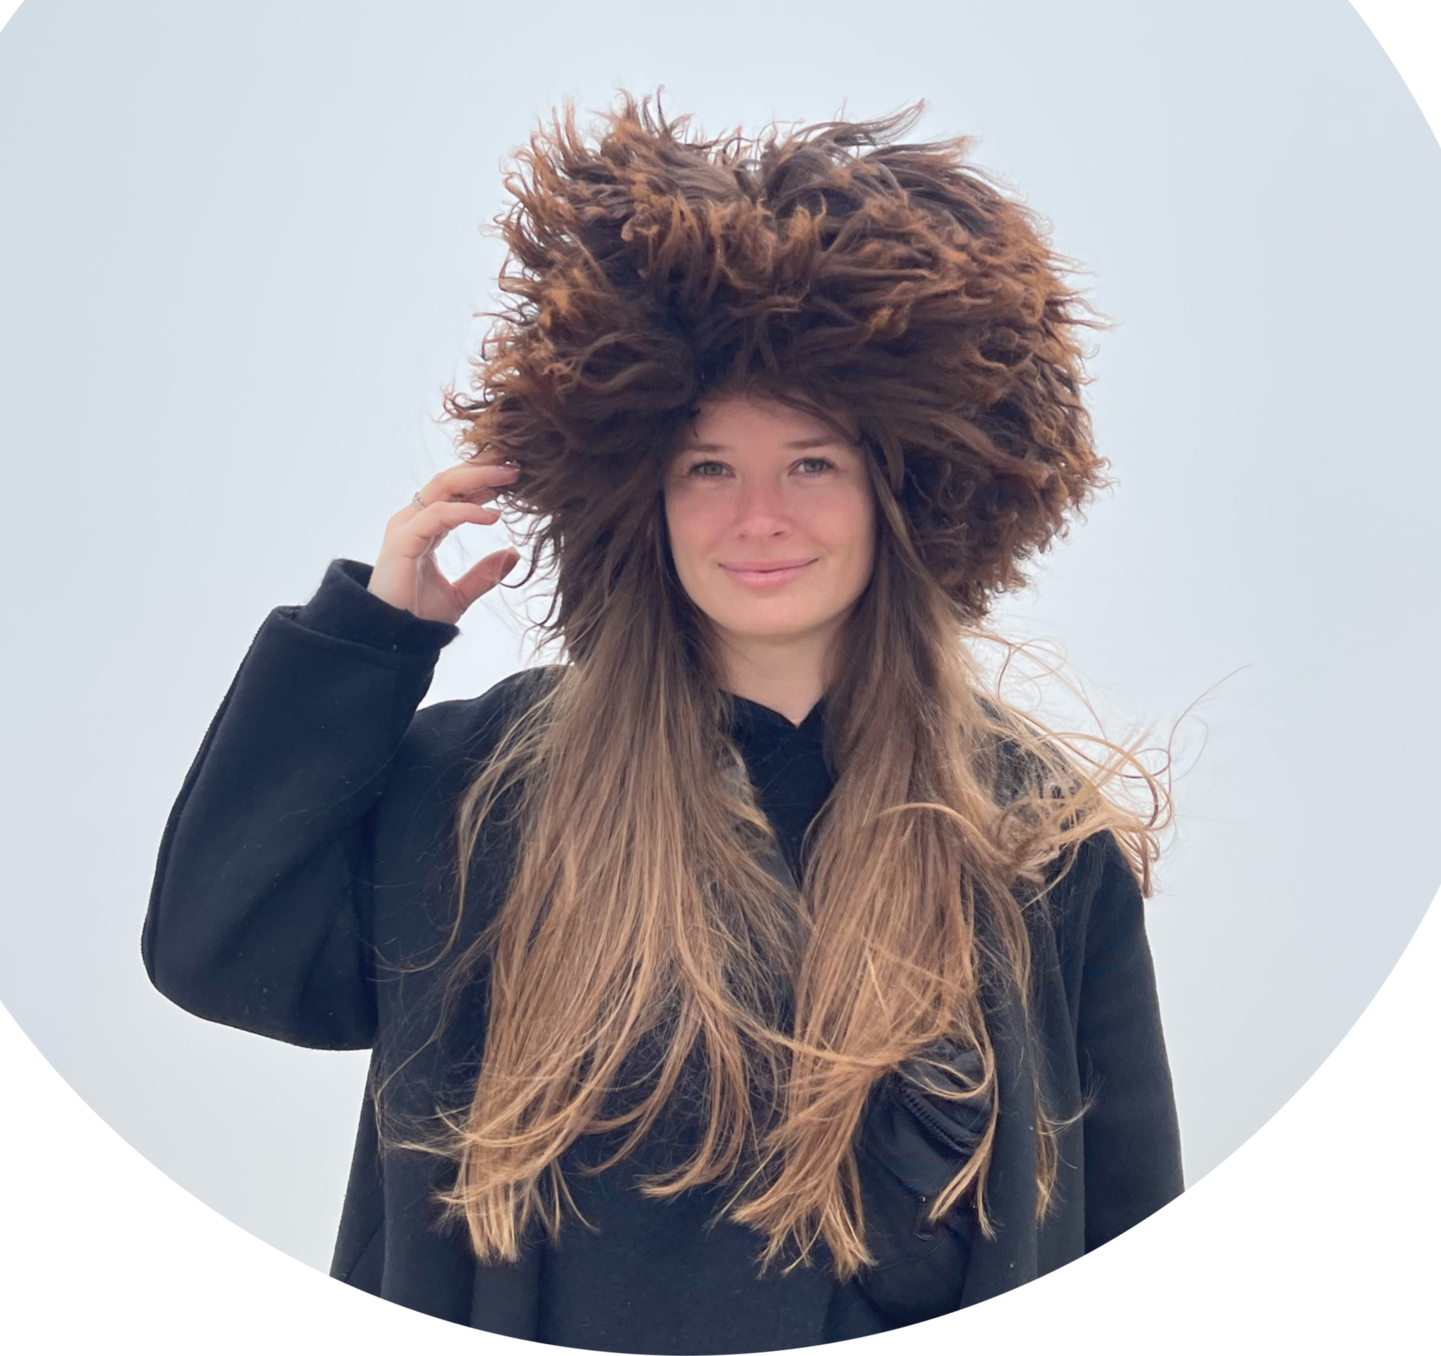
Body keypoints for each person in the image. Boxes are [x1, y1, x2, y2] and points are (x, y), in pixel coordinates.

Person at [143, 98, 1182, 1348]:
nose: (760, 517)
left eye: (811, 462)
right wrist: (370, 645)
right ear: (643, 495)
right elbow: (219, 950)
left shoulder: (1035, 835)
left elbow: (1125, 1199)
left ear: (897, 489)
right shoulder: (483, 785)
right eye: (708, 467)